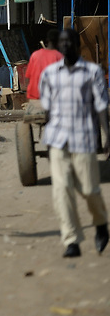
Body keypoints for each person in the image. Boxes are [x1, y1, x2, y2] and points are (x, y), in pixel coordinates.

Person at [38, 29, 109, 258]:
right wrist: (48, 139)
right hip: (58, 140)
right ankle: (72, 240)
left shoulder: (92, 72)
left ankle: (100, 224)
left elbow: (101, 107)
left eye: (70, 42)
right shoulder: (49, 74)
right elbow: (47, 109)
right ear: (58, 46)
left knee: (89, 190)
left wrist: (107, 135)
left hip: (83, 139)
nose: (66, 46)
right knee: (62, 190)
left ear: (77, 46)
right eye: (62, 43)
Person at [24, 29, 63, 118]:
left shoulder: (35, 55)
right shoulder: (59, 57)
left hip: (34, 95)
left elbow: (28, 76)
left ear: (47, 41)